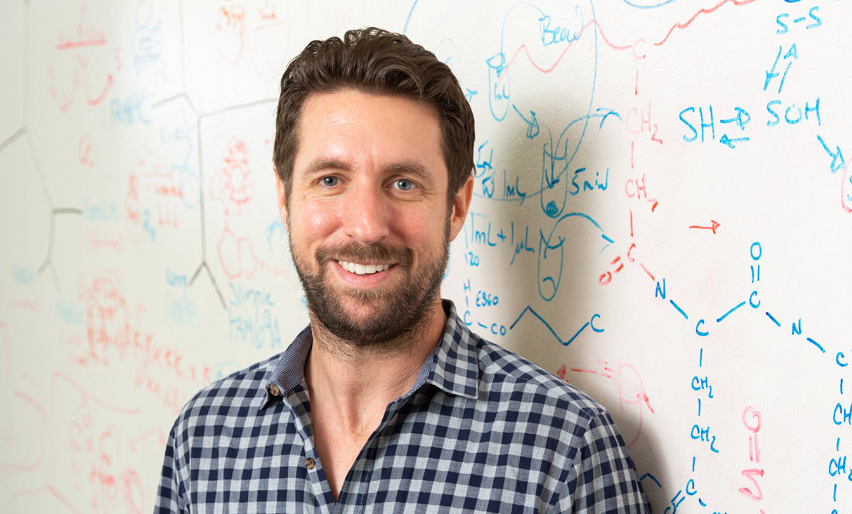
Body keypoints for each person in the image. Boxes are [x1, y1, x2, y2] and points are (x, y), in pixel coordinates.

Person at [155, 28, 650, 513]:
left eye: (404, 184)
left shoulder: (565, 450)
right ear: (285, 200)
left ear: (456, 208)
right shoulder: (203, 441)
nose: (367, 227)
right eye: (330, 180)